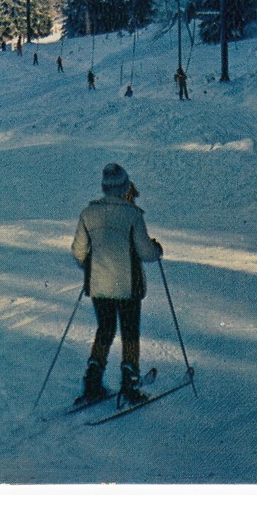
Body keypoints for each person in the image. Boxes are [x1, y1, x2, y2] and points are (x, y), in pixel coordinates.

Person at [72, 163, 162, 406]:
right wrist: (156, 250)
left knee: (105, 330)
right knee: (130, 333)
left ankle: (92, 382)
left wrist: (91, 265)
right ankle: (130, 384)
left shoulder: (88, 213)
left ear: (103, 187)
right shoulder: (133, 214)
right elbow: (145, 252)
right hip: (127, 286)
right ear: (124, 186)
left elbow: (78, 251)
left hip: (99, 286)